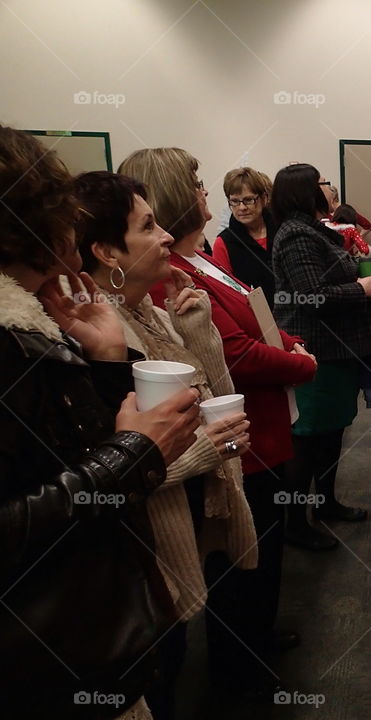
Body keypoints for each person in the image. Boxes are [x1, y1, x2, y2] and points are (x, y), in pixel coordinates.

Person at [0, 125, 201, 719]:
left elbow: (80, 447)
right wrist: (135, 452)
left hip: (86, 632)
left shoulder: (36, 325)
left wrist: (109, 364)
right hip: (50, 658)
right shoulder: (10, 341)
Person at [118, 148, 316, 700]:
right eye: (198, 183)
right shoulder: (171, 273)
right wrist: (301, 362)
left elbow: (250, 323)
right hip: (232, 438)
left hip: (253, 425)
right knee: (239, 570)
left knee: (262, 559)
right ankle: (239, 673)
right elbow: (234, 354)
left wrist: (289, 346)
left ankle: (253, 648)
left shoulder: (202, 256)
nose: (207, 194)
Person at [74, 171, 260, 719]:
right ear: (107, 252)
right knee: (157, 676)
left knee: (173, 665)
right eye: (147, 226)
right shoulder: (94, 339)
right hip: (144, 549)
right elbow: (108, 465)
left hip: (186, 522)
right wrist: (204, 450)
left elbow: (221, 399)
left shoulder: (153, 315)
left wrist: (200, 332)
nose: (163, 237)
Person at [271, 164, 371, 544]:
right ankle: (297, 526)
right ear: (304, 191)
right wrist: (360, 289)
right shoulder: (295, 236)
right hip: (316, 351)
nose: (328, 187)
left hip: (337, 351)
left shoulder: (314, 229)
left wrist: (365, 275)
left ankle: (325, 503)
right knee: (307, 438)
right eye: (322, 182)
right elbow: (311, 295)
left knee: (332, 432)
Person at [212, 167, 279, 307]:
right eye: (235, 201)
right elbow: (226, 294)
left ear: (264, 198)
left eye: (248, 200)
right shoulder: (223, 243)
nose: (242, 208)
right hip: (254, 320)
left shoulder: (282, 229)